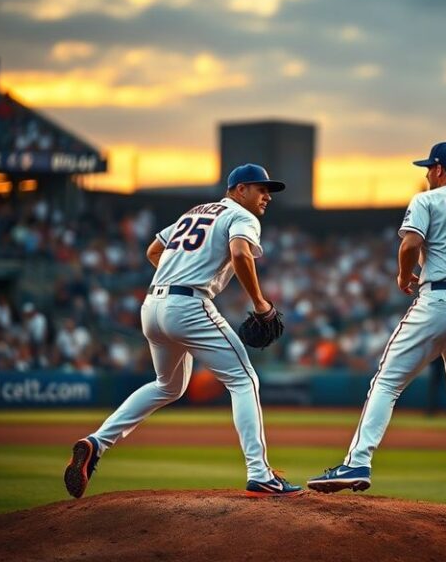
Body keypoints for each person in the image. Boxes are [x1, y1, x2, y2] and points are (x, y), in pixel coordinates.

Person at [307, 141, 446, 524]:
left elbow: (410, 243)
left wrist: (401, 274)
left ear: (440, 170)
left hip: (439, 300)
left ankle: (357, 463)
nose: (427, 174)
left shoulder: (428, 200)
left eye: (430, 168)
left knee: (387, 383)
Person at [64, 163, 303, 499]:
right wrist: (261, 304)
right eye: (260, 188)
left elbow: (153, 251)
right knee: (244, 379)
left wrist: (177, 274)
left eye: (269, 191)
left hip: (152, 307)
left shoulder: (194, 213)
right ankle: (260, 474)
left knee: (168, 385)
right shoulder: (242, 216)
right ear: (238, 190)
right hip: (188, 305)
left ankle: (96, 442)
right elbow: (239, 253)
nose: (267, 196)